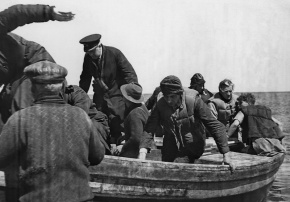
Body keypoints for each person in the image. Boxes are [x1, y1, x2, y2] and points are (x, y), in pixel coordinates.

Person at [0, 61, 105, 202]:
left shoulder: (20, 119)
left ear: (32, 88)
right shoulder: (81, 116)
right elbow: (97, 156)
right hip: (81, 198)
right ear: (61, 86)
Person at [0, 4, 75, 131]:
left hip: (34, 63)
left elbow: (14, 14)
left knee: (22, 108)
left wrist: (48, 12)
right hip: (14, 78)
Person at [138, 75, 234, 170]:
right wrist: (142, 152)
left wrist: (226, 153)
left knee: (176, 167)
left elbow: (214, 125)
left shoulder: (193, 100)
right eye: (166, 96)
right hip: (170, 143)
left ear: (180, 93)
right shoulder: (160, 103)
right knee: (165, 168)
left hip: (192, 143)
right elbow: (149, 128)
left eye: (172, 96)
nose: (169, 100)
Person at [79, 34, 138, 143]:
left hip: (117, 97)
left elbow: (129, 74)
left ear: (99, 46)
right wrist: (80, 96)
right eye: (88, 52)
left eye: (92, 51)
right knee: (102, 124)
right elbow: (85, 79)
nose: (90, 54)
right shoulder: (88, 57)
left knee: (119, 124)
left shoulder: (115, 53)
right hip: (100, 98)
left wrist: (133, 94)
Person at [113, 82, 149, 158]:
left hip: (137, 153)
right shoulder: (142, 107)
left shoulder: (134, 114)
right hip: (143, 147)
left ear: (126, 98)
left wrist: (123, 147)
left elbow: (136, 139)